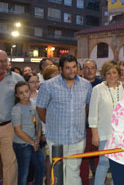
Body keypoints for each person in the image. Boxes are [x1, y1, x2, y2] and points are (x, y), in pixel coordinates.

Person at [36, 55, 92, 185]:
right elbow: (40, 109)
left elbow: (87, 107)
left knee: (74, 171)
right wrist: (51, 124)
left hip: (77, 137)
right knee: (58, 173)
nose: (72, 71)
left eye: (74, 67)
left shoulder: (86, 85)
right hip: (56, 138)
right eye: (67, 68)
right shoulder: (48, 85)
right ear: (60, 69)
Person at [89, 61, 124, 185]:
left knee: (120, 163)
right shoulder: (98, 89)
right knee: (103, 162)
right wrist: (94, 134)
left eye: (114, 72)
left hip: (123, 134)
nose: (112, 75)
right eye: (108, 73)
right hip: (105, 133)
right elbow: (93, 114)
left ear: (119, 74)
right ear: (104, 75)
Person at [12, 81, 45, 185]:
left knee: (41, 167)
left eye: (26, 91)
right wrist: (32, 142)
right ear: (17, 95)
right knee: (24, 172)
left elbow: (39, 124)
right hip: (22, 144)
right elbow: (18, 131)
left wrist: (38, 139)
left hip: (35, 143)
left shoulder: (35, 104)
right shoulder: (16, 109)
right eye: (21, 93)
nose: (25, 94)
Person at [0, 50, 23, 185]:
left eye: (5, 61)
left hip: (8, 126)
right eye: (0, 62)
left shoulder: (17, 79)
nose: (3, 65)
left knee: (10, 163)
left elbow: (25, 101)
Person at [81, 59, 102, 185]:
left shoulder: (102, 84)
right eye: (86, 68)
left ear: (96, 69)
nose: (89, 71)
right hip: (82, 127)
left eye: (92, 68)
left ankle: (101, 180)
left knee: (100, 157)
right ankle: (84, 181)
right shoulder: (78, 84)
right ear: (83, 70)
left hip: (99, 127)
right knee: (84, 157)